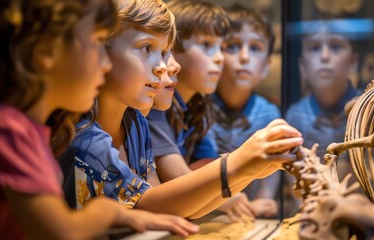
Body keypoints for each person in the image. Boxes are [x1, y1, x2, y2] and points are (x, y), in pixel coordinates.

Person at [71, 0, 304, 220]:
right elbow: (148, 204)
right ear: (100, 51)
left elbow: (167, 207)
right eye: (146, 48)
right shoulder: (84, 133)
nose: (164, 66)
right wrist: (236, 164)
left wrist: (248, 171)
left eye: (163, 52)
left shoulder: (136, 124)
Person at [0, 0, 199, 239]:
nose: (106, 62)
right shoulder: (8, 130)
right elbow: (59, 232)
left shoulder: (29, 131)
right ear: (46, 51)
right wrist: (106, 212)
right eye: (97, 43)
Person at [146, 0, 279, 220]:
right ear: (173, 52)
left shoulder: (200, 106)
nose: (219, 58)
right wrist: (230, 189)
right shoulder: (155, 106)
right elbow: (177, 176)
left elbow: (208, 165)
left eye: (221, 47)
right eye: (207, 45)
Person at [198, 3, 282, 218]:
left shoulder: (268, 114)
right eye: (233, 46)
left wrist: (265, 199)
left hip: (249, 219)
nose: (244, 57)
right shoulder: (199, 108)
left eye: (255, 48)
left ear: (266, 66)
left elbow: (273, 169)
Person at [285, 19, 361, 180]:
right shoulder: (296, 116)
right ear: (303, 66)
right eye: (314, 48)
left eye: (335, 47)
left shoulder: (369, 109)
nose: (324, 56)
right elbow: (296, 184)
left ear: (353, 62)